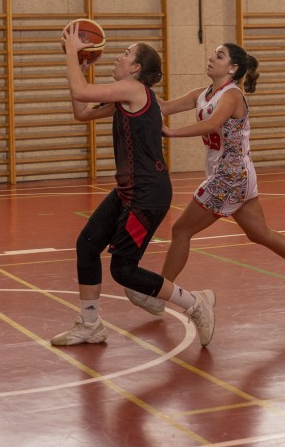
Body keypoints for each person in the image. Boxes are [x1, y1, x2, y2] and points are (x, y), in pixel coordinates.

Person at [123, 43, 285, 317]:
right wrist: (137, 84)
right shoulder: (202, 94)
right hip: (234, 174)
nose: (212, 58)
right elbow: (163, 106)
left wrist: (171, 134)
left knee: (181, 230)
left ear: (232, 68)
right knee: (259, 233)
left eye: (219, 56)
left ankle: (158, 295)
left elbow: (212, 125)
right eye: (213, 54)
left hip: (229, 175)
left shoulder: (232, 95)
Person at [51, 22, 216, 347]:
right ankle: (90, 324)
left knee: (124, 269)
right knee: (87, 246)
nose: (117, 58)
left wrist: (72, 53)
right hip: (130, 190)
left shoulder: (133, 89)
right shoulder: (126, 97)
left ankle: (195, 302)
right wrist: (79, 66)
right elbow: (81, 111)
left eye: (125, 55)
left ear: (136, 68)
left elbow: (82, 91)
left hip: (147, 194)